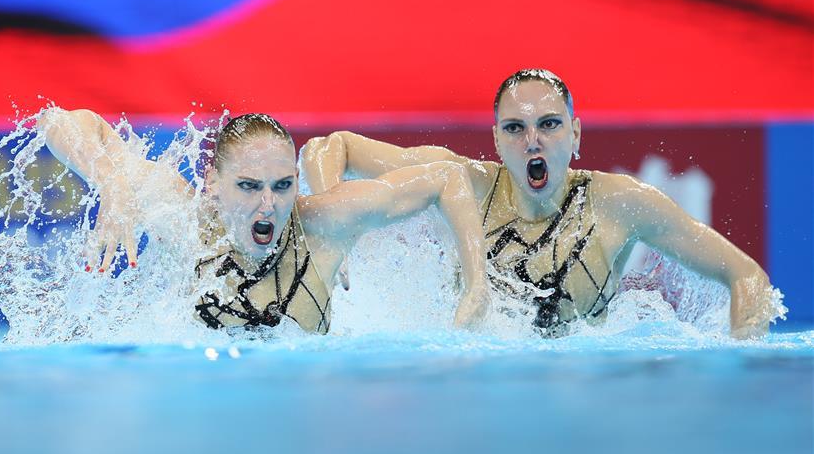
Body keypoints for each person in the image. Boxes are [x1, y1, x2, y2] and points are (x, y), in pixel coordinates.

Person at [302, 69, 775, 338]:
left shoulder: (620, 203)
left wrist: (740, 365)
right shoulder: (461, 184)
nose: (532, 141)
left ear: (575, 134)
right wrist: (334, 229)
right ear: (496, 139)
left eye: (549, 125)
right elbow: (330, 147)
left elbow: (748, 276)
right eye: (514, 128)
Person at [40, 108, 489, 334]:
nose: (269, 205)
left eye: (281, 186)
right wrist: (112, 182)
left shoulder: (324, 224)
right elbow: (58, 120)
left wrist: (476, 287)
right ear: (213, 184)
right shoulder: (185, 221)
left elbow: (446, 179)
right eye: (249, 187)